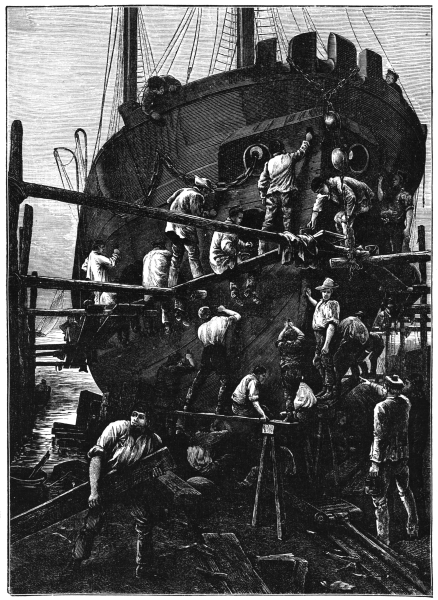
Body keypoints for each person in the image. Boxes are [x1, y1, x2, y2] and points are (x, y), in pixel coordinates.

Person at [71, 399, 164, 579]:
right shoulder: (116, 428)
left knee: (145, 521)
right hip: (108, 483)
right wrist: (94, 491)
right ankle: (77, 560)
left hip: (132, 485)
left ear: (150, 421)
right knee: (93, 522)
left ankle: (143, 567)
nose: (136, 419)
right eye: (134, 415)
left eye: (142, 417)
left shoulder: (154, 440)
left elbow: (156, 466)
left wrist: (156, 473)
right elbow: (96, 459)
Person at [362, 374, 419, 546]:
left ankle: (383, 540)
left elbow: (378, 436)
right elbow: (393, 394)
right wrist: (371, 384)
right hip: (402, 457)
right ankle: (413, 527)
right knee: (405, 491)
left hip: (384, 459)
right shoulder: (405, 403)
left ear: (387, 388)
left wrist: (374, 464)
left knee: (379, 499)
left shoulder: (380, 407)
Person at [257, 128, 313, 254]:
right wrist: (307, 140)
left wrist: (262, 195)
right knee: (287, 223)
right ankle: (287, 252)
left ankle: (261, 250)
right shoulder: (289, 157)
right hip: (286, 194)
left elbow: (262, 181)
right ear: (282, 148)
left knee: (267, 224)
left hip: (272, 196)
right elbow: (302, 152)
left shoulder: (269, 163)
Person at [184, 305, 241, 415]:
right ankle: (220, 408)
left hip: (206, 352)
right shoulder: (221, 320)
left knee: (199, 379)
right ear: (210, 313)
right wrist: (224, 310)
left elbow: (203, 341)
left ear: (201, 317)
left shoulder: (200, 328)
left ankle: (187, 404)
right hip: (218, 352)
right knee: (225, 380)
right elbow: (237, 316)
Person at [165, 176, 213, 288]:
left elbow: (169, 201)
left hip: (171, 228)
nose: (207, 195)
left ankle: (171, 285)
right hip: (184, 229)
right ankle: (199, 282)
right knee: (193, 255)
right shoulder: (197, 196)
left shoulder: (183, 190)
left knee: (176, 257)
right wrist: (207, 214)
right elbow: (196, 215)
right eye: (207, 192)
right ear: (203, 189)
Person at [209, 206, 260, 307]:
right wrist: (238, 253)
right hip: (220, 262)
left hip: (216, 261)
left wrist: (244, 245)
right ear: (233, 217)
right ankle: (249, 289)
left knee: (237, 266)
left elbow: (235, 240)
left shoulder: (227, 225)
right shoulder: (228, 229)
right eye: (239, 218)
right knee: (251, 262)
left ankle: (236, 291)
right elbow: (226, 246)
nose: (241, 220)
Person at [308, 176, 375, 247]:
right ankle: (343, 245)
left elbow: (351, 198)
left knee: (344, 220)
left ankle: (349, 248)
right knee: (337, 218)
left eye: (321, 191)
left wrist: (348, 215)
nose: (321, 193)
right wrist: (313, 221)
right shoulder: (325, 190)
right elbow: (316, 208)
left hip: (364, 200)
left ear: (324, 184)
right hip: (352, 204)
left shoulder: (339, 184)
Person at [305, 278, 340, 402]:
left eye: (328, 292)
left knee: (327, 363)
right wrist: (309, 298)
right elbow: (317, 305)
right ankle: (325, 387)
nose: (325, 294)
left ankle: (330, 390)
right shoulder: (321, 303)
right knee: (317, 362)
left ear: (331, 292)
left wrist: (326, 345)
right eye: (324, 291)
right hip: (318, 337)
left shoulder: (333, 304)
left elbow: (331, 326)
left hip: (325, 336)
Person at [154, 351, 196, 435]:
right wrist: (189, 358)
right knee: (181, 413)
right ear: (178, 362)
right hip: (169, 401)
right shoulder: (175, 368)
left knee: (164, 423)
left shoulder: (162, 368)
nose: (181, 364)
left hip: (158, 400)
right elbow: (193, 367)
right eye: (181, 362)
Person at [404, 373, 430, 509]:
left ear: (413, 386)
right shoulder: (414, 401)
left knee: (414, 483)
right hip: (410, 449)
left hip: (412, 450)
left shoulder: (416, 403)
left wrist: (413, 450)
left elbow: (418, 430)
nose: (404, 386)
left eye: (407, 383)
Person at [275, 319, 306, 420]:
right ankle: (297, 415)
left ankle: (289, 415)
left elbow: (279, 339)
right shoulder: (297, 344)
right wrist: (293, 327)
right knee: (298, 394)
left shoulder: (282, 345)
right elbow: (302, 335)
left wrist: (285, 328)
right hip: (297, 372)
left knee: (288, 394)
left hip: (286, 372)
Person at [377, 170, 413, 253]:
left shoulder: (405, 195)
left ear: (401, 181)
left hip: (398, 227)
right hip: (387, 226)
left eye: (395, 179)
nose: (393, 180)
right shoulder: (390, 194)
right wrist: (379, 184)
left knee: (397, 250)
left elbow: (409, 211)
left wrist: (407, 228)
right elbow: (380, 197)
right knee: (386, 250)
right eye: (392, 179)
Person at [333, 313, 369, 395]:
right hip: (351, 348)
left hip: (347, 347)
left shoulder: (348, 320)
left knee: (342, 369)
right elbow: (364, 339)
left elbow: (339, 330)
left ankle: (339, 389)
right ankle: (344, 388)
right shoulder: (361, 325)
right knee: (352, 366)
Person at [142, 240, 172, 335]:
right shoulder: (165, 254)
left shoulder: (146, 257)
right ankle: (167, 325)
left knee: (149, 306)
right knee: (165, 304)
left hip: (147, 289)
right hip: (160, 287)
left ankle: (149, 328)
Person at [82, 239, 120, 304]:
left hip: (94, 282)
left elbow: (84, 267)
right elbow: (111, 263)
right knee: (103, 301)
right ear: (99, 247)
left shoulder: (90, 256)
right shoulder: (98, 257)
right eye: (103, 247)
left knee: (97, 300)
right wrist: (116, 254)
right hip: (101, 283)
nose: (104, 249)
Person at [353, 312, 385, 380]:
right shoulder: (357, 325)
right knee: (358, 359)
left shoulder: (365, 326)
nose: (357, 318)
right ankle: (365, 373)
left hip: (378, 344)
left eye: (359, 317)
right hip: (370, 342)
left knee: (372, 358)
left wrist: (364, 354)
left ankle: (372, 374)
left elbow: (369, 345)